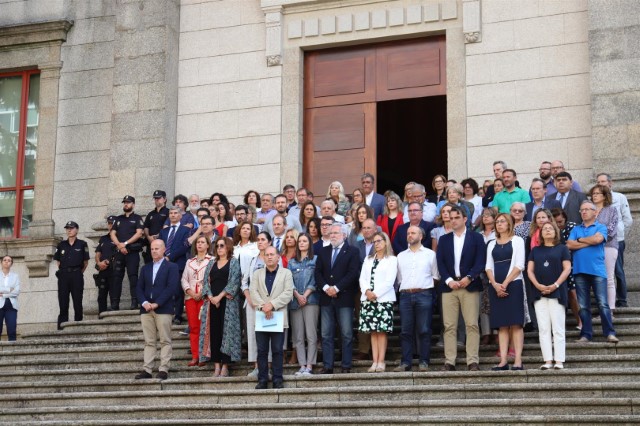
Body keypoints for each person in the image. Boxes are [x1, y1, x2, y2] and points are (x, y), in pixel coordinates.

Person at [435, 206, 486, 371]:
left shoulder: (476, 238)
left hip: (469, 286)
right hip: (449, 287)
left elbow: (480, 261)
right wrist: (449, 280)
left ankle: (472, 360)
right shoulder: (444, 239)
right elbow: (440, 263)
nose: (453, 220)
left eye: (456, 217)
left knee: (472, 324)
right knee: (449, 326)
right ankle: (449, 361)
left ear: (465, 219)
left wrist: (469, 277)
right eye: (450, 218)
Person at [567, 201, 618, 343]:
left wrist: (580, 240)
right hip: (579, 271)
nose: (583, 212)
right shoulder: (576, 228)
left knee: (602, 303)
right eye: (581, 210)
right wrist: (586, 241)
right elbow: (569, 244)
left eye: (587, 209)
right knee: (583, 306)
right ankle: (586, 334)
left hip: (597, 271)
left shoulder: (601, 227)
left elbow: (598, 239)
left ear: (595, 212)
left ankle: (609, 333)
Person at [315, 223, 361, 374]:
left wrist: (336, 288)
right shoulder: (323, 251)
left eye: (336, 233)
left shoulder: (352, 251)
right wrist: (326, 288)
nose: (332, 235)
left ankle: (346, 365)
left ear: (344, 235)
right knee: (326, 334)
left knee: (347, 333)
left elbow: (353, 273)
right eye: (331, 233)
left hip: (344, 297)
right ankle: (328, 365)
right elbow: (318, 273)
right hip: (326, 298)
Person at [485, 214, 528, 371]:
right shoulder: (491, 243)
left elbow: (519, 265)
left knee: (516, 324)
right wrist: (496, 285)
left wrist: (505, 283)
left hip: (514, 284)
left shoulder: (517, 240)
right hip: (495, 286)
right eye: (497, 222)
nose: (499, 224)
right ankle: (503, 361)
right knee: (502, 325)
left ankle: (517, 360)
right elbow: (488, 266)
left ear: (509, 224)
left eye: (502, 221)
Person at [394, 226, 439, 372]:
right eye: (408, 233)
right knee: (405, 330)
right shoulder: (400, 256)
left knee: (424, 329)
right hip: (406, 295)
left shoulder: (430, 254)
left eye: (413, 233)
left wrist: (424, 288)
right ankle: (406, 362)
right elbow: (399, 278)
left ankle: (424, 361)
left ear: (421, 236)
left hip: (424, 294)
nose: (409, 235)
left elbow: (435, 276)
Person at [527, 221, 572, 370]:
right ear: (540, 233)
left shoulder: (562, 249)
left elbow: (567, 269)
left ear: (556, 232)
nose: (547, 231)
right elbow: (529, 271)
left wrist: (555, 285)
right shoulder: (535, 250)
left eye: (550, 228)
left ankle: (559, 360)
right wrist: (538, 285)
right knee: (544, 328)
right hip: (539, 293)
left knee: (557, 328)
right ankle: (547, 360)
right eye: (544, 229)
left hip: (557, 292)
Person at [134, 239, 179, 380]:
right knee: (149, 341)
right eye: (152, 249)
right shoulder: (145, 268)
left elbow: (171, 287)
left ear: (164, 249)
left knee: (165, 340)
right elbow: (139, 288)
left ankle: (163, 368)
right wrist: (144, 302)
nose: (154, 251)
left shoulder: (171, 267)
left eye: (157, 248)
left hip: (163, 308)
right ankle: (147, 369)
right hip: (146, 310)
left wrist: (157, 303)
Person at [250, 246, 294, 389]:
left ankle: (277, 379)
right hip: (262, 315)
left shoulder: (286, 273)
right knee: (262, 350)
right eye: (266, 254)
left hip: (278, 316)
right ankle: (262, 379)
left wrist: (272, 305)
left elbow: (288, 293)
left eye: (272, 254)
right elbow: (253, 291)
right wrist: (264, 306)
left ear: (277, 257)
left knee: (277, 349)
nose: (269, 257)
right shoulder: (257, 274)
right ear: (263, 257)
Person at [199, 237, 242, 377]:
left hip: (227, 303)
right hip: (212, 304)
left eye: (222, 245)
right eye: (217, 246)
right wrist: (211, 297)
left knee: (227, 333)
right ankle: (216, 365)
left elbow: (235, 281)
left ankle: (225, 365)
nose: (219, 248)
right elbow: (205, 282)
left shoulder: (234, 262)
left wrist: (219, 297)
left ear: (228, 247)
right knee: (214, 333)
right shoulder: (211, 263)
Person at [358, 232, 397, 373]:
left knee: (381, 332)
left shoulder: (392, 260)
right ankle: (374, 361)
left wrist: (375, 294)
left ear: (386, 242)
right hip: (368, 299)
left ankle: (381, 361)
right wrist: (367, 291)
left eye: (379, 241)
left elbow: (389, 281)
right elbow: (362, 278)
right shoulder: (368, 260)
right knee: (373, 332)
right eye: (374, 241)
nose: (377, 243)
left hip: (383, 300)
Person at [596, 173, 633, 308]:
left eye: (603, 181)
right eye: (598, 182)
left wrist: (620, 234)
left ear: (610, 183)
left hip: (616, 240)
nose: (601, 184)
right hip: (598, 241)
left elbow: (627, 219)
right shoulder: (594, 200)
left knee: (618, 270)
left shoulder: (619, 197)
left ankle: (622, 299)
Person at [241, 232, 273, 377]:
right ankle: (257, 366)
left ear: (269, 242)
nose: (260, 242)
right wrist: (249, 298)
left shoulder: (273, 259)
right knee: (253, 335)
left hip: (268, 304)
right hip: (252, 304)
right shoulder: (252, 260)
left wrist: (269, 302)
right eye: (258, 240)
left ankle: (269, 366)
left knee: (270, 334)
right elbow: (244, 282)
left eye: (263, 240)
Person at [287, 233, 319, 376]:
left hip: (311, 301)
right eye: (299, 241)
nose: (301, 243)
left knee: (311, 335)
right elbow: (288, 281)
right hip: (295, 302)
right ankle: (302, 365)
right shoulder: (291, 262)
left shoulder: (315, 260)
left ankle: (310, 365)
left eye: (305, 241)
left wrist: (304, 295)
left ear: (309, 243)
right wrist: (297, 295)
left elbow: (315, 280)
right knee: (298, 336)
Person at [181, 235, 212, 366]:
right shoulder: (189, 262)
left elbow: (212, 279)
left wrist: (202, 292)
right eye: (198, 242)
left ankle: (204, 355)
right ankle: (195, 356)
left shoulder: (212, 260)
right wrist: (191, 292)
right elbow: (183, 279)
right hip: (191, 298)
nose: (199, 244)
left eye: (202, 242)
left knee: (205, 327)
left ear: (208, 245)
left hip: (205, 297)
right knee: (194, 327)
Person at [110, 195, 145, 309]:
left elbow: (139, 233)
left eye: (128, 202)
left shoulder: (137, 218)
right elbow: (112, 233)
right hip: (120, 252)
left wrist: (125, 244)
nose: (126, 204)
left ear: (133, 204)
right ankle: (115, 303)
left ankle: (134, 302)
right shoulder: (118, 219)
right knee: (116, 277)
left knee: (133, 277)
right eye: (124, 202)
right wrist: (120, 246)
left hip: (132, 252)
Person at [589, 184, 619, 313]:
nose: (594, 196)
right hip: (590, 247)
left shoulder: (611, 210)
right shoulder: (588, 209)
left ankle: (610, 310)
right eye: (593, 194)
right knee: (597, 278)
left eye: (597, 193)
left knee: (609, 278)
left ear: (605, 196)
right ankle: (601, 307)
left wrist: (597, 236)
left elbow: (611, 230)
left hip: (608, 246)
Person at [54, 221, 89, 330]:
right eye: (67, 228)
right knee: (63, 301)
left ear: (77, 230)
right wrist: (65, 271)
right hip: (64, 275)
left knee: (77, 301)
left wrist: (77, 272)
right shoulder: (61, 245)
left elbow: (85, 262)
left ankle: (78, 326)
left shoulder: (82, 244)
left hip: (76, 274)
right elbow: (58, 262)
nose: (69, 230)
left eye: (72, 228)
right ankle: (62, 327)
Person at [160, 206, 192, 325]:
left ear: (180, 216)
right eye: (171, 213)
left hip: (178, 264)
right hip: (163, 264)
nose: (173, 215)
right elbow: (159, 245)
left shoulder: (185, 230)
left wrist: (169, 256)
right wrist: (163, 256)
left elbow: (184, 247)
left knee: (178, 291)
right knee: (164, 289)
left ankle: (178, 315)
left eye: (175, 213)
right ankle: (166, 313)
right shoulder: (164, 231)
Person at [551, 208, 582, 330]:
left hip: (574, 262)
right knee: (567, 294)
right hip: (557, 265)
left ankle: (580, 321)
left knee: (574, 293)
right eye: (556, 222)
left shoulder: (573, 226)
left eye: (561, 221)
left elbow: (575, 243)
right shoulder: (550, 229)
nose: (559, 224)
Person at [478, 207, 498, 345]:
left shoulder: (498, 233)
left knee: (494, 302)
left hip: (495, 271)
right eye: (484, 215)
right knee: (482, 304)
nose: (485, 217)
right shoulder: (478, 234)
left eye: (489, 215)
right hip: (480, 272)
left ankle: (496, 332)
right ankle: (486, 333)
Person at [94, 216, 117, 313]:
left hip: (114, 270)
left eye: (112, 223)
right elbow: (98, 253)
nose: (110, 225)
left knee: (113, 294)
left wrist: (108, 261)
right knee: (101, 295)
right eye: (109, 223)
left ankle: (113, 315)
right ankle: (101, 315)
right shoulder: (103, 238)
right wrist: (99, 263)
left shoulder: (119, 238)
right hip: (102, 270)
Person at [143, 190, 169, 264]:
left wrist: (157, 236)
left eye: (159, 198)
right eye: (155, 198)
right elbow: (146, 227)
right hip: (150, 244)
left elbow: (168, 227)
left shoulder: (168, 212)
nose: (156, 200)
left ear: (164, 199)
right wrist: (148, 237)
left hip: (162, 243)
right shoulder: (150, 214)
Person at [0, 255, 20, 341]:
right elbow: (12, 291)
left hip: (11, 306)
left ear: (11, 263)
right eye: (4, 260)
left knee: (12, 330)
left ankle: (13, 352)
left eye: (9, 260)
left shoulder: (15, 276)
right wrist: (9, 289)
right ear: (1, 262)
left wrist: (3, 294)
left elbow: (16, 291)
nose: (6, 262)